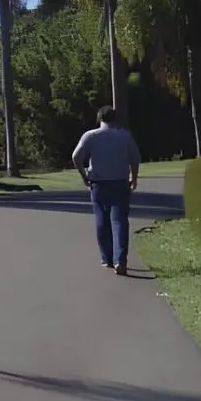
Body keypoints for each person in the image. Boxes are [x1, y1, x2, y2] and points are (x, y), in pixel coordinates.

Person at [71, 106, 141, 276]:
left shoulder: (91, 136)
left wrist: (83, 174)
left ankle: (107, 258)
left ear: (99, 119)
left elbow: (76, 156)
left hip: (98, 183)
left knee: (102, 220)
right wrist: (134, 176)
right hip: (120, 182)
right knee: (120, 222)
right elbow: (135, 157)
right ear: (115, 119)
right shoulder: (125, 136)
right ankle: (120, 259)